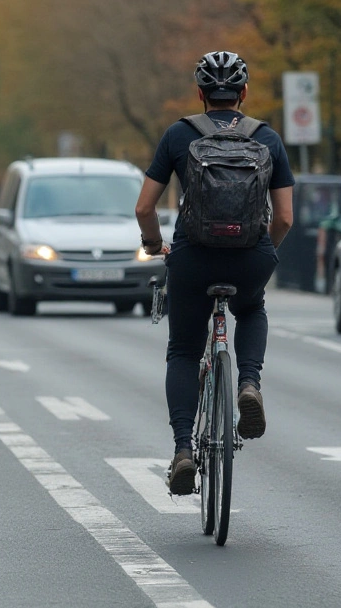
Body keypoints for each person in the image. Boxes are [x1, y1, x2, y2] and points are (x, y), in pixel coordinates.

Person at [134, 51, 294, 495]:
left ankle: (184, 450)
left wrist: (152, 245)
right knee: (252, 308)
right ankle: (248, 383)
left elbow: (145, 207)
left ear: (200, 94)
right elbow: (284, 218)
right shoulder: (268, 139)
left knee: (184, 351)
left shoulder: (178, 135)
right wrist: (263, 254)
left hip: (193, 256)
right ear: (244, 93)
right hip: (250, 256)